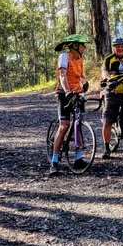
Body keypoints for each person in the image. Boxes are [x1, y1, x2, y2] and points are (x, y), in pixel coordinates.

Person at [49, 34, 90, 175]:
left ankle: (78, 158)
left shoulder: (80, 59)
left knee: (79, 123)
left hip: (77, 93)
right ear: (75, 46)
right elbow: (62, 75)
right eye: (82, 44)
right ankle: (54, 162)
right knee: (64, 125)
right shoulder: (64, 57)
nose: (85, 47)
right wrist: (67, 91)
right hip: (64, 93)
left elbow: (81, 75)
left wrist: (85, 82)